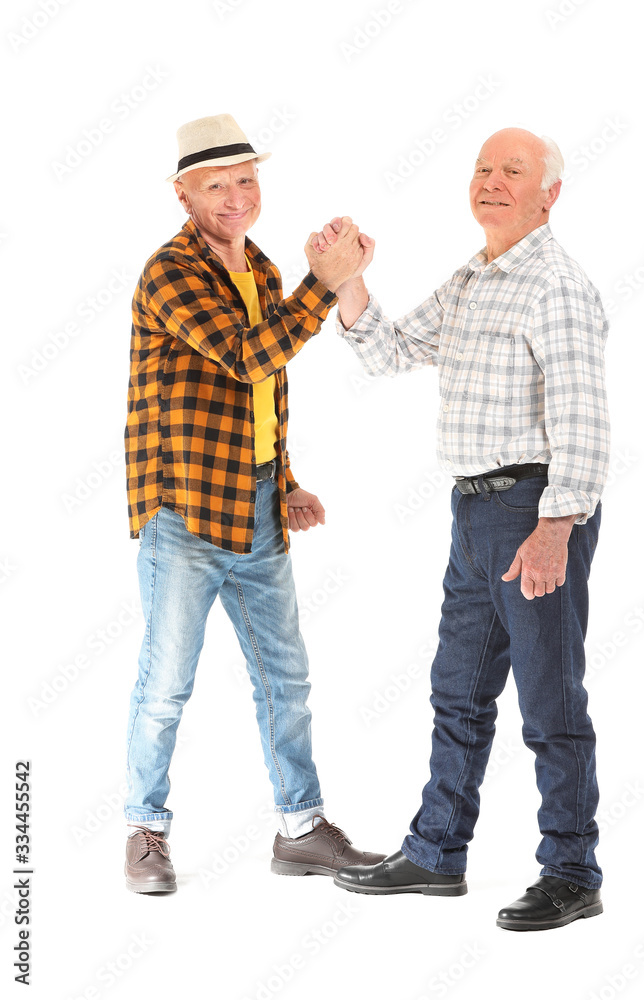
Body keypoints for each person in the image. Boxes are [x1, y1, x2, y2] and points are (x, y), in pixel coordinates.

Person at [317, 128, 610, 930]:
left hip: (534, 512)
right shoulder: (474, 278)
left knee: (549, 702)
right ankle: (436, 853)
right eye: (482, 169)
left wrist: (554, 529)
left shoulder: (556, 285)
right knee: (457, 693)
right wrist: (350, 281)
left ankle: (572, 871)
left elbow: (582, 419)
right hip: (473, 512)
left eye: (511, 171)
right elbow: (391, 350)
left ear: (549, 193)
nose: (490, 182)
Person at [123, 113, 383, 893]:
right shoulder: (168, 272)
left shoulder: (261, 270)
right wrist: (326, 282)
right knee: (166, 684)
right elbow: (245, 357)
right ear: (182, 193)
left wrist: (287, 478)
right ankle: (144, 831)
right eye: (215, 184)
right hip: (185, 517)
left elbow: (265, 392)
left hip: (259, 508)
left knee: (286, 678)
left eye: (245, 179)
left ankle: (299, 830)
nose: (235, 196)